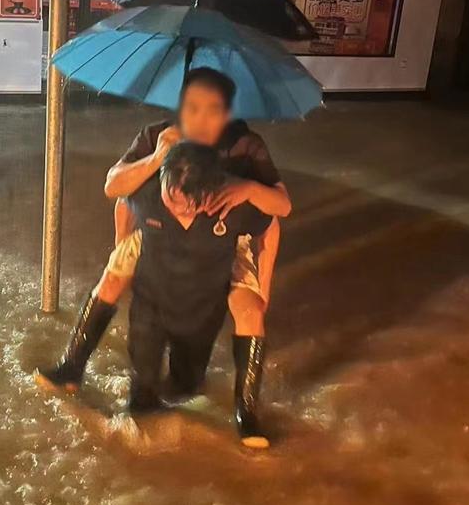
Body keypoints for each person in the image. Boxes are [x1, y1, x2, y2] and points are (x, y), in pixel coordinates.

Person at [36, 67, 291, 445]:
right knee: (114, 274)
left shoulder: (245, 145)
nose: (201, 119)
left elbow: (279, 210)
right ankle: (72, 367)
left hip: (226, 231)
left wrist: (249, 188)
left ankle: (246, 412)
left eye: (213, 109)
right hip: (157, 224)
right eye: (193, 108)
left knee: (247, 308)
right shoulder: (159, 134)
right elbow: (117, 189)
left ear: (227, 112)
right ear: (180, 106)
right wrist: (156, 160)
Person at [123, 143, 272, 445]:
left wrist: (264, 286)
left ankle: (246, 414)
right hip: (153, 298)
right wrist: (120, 244)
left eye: (187, 205)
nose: (176, 209)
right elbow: (119, 200)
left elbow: (272, 223)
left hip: (202, 301)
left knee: (187, 386)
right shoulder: (147, 194)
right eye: (171, 198)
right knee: (141, 400)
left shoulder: (233, 208)